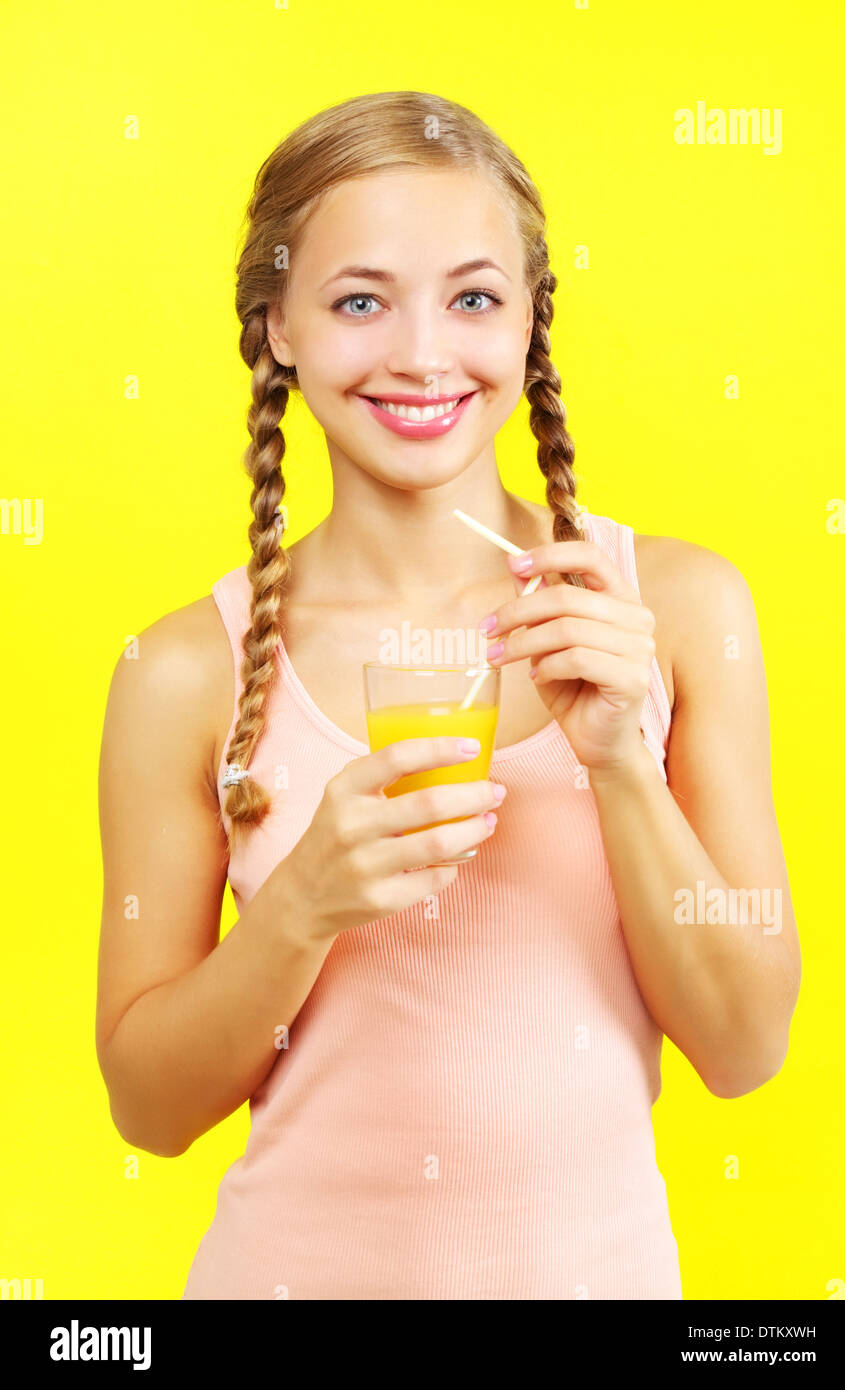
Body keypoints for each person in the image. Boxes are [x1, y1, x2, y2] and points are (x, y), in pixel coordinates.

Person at [95, 90, 801, 1300]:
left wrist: (618, 763)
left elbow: (742, 1049)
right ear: (276, 328)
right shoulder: (183, 670)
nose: (422, 355)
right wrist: (301, 904)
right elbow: (148, 1111)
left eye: (472, 298)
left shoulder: (675, 612)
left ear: (529, 319)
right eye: (359, 301)